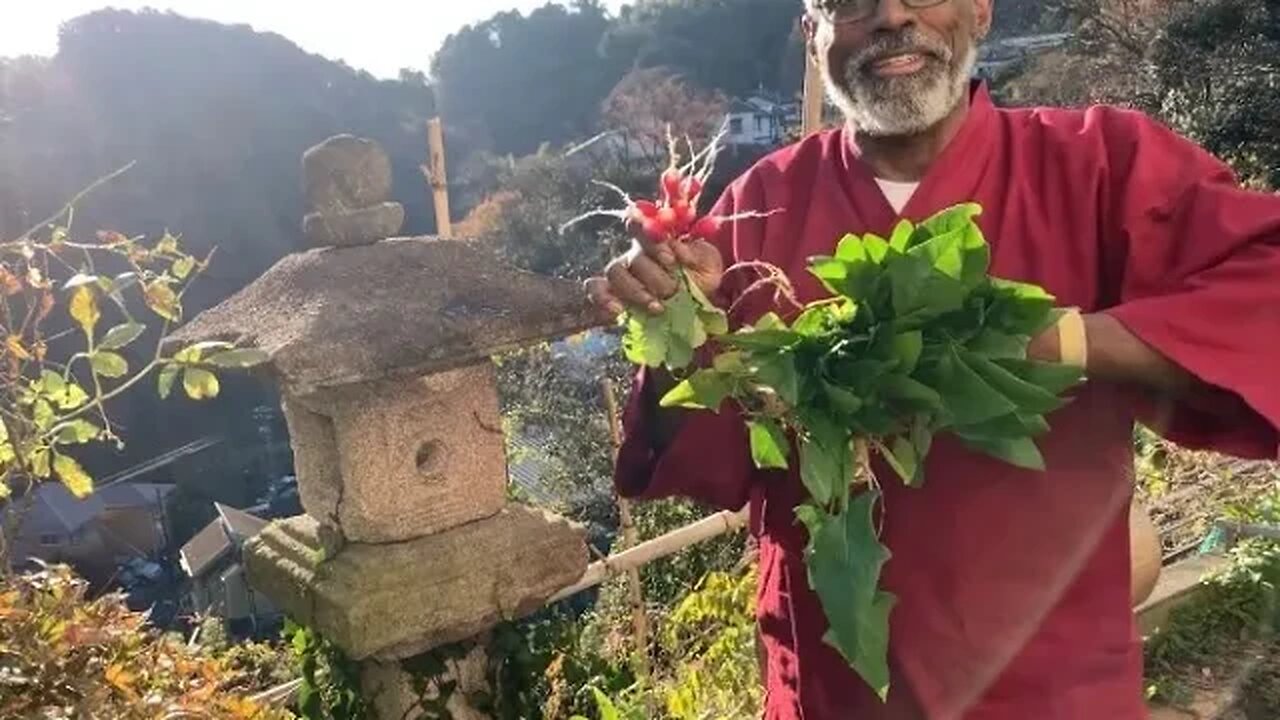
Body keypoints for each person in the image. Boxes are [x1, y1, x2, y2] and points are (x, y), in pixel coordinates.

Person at [584, 0, 1280, 718]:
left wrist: (1068, 341)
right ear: (811, 33)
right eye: (849, 3)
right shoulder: (756, 207)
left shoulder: (1100, 163)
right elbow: (708, 464)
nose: (892, 15)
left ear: (979, 10)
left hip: (1054, 687)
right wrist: (683, 324)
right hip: (833, 689)